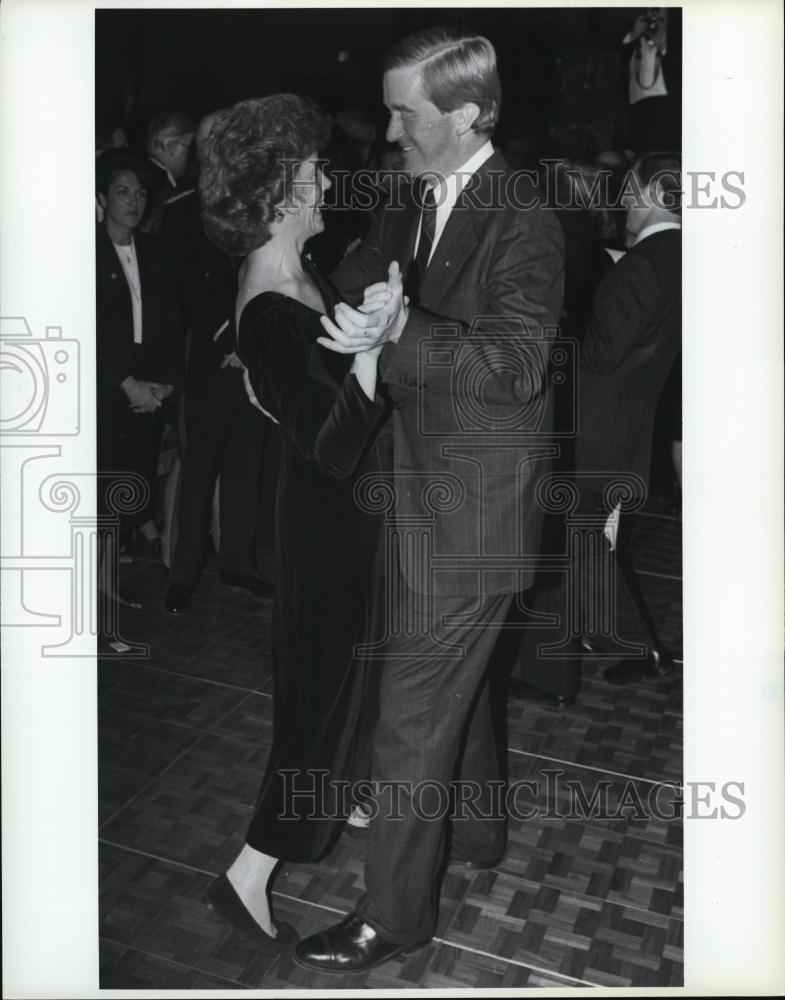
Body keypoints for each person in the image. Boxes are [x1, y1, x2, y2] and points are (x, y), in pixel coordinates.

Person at [294, 26, 565, 972]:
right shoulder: (415, 196)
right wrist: (336, 300)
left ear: (462, 114)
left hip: (475, 515)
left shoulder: (522, 217)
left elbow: (517, 366)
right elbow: (368, 268)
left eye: (404, 111)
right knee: (457, 686)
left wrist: (403, 331)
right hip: (421, 489)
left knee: (411, 712)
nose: (387, 126)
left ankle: (396, 917)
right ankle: (480, 837)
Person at [197, 94, 390, 952]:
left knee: (337, 683)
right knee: (319, 700)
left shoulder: (298, 276)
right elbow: (333, 440)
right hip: (324, 526)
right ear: (276, 192)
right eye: (310, 176)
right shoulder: (274, 300)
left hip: (334, 518)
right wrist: (373, 351)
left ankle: (342, 788)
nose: (323, 185)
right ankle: (247, 875)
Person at [513, 151, 681, 698]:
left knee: (576, 540)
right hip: (624, 428)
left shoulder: (644, 261)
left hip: (593, 430)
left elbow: (602, 352)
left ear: (654, 194)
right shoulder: (680, 255)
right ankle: (623, 641)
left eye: (630, 192)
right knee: (585, 542)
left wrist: (560, 324)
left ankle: (635, 647)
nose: (624, 203)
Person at [162, 112, 275, 613]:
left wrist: (249, 338)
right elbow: (186, 284)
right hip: (210, 353)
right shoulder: (184, 209)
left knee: (246, 461)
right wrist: (228, 333)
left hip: (252, 352)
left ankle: (238, 564)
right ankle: (183, 573)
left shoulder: (257, 204)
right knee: (200, 464)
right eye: (211, 144)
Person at [95, 149, 183, 615]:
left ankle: (107, 585)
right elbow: (87, 329)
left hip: (147, 390)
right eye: (122, 192)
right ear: (102, 198)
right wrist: (125, 382)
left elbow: (170, 321)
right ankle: (97, 589)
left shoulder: (153, 252)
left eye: (141, 193)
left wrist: (165, 383)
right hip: (106, 393)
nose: (133, 201)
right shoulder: (84, 252)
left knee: (130, 488)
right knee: (102, 493)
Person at [142, 111, 196, 236]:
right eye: (190, 148)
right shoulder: (161, 188)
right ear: (170, 146)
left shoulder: (145, 174)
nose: (193, 155)